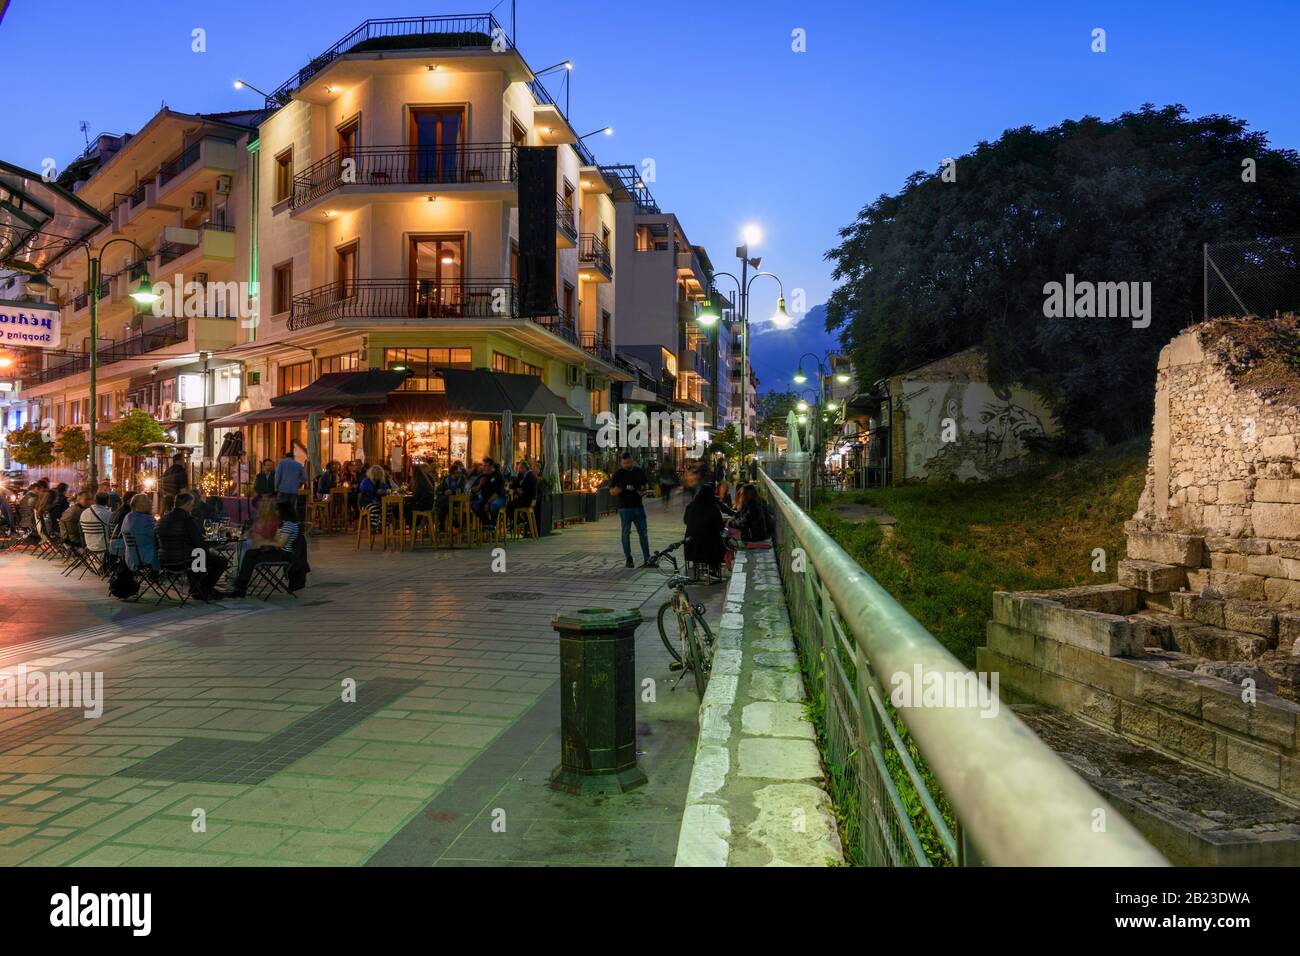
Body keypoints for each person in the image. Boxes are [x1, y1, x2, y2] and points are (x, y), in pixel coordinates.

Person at [156, 492, 230, 599]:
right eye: (191, 504)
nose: (192, 507)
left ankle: (198, 589)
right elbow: (199, 542)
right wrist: (211, 547)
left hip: (164, 560)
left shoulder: (162, 519)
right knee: (220, 561)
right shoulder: (187, 520)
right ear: (186, 504)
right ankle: (204, 589)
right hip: (183, 560)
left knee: (199, 556)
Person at [229, 500, 304, 597]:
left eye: (278, 510)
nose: (276, 512)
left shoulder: (289, 525)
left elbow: (280, 543)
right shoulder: (285, 524)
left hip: (284, 555)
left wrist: (263, 542)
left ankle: (240, 587)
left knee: (251, 558)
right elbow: (276, 540)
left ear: (284, 511)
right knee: (250, 553)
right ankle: (240, 586)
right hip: (279, 552)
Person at [609, 451, 650, 568]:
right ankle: (628, 558)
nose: (627, 465)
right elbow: (612, 492)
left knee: (643, 533)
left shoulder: (639, 471)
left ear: (632, 460)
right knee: (625, 533)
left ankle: (647, 558)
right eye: (625, 463)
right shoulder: (618, 474)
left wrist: (641, 491)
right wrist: (619, 489)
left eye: (629, 462)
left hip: (638, 507)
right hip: (624, 508)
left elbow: (645, 488)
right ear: (621, 463)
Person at [683, 483, 726, 578]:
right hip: (708, 548)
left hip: (691, 546)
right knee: (720, 542)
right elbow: (720, 526)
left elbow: (685, 521)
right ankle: (712, 569)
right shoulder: (713, 508)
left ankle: (699, 566)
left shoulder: (690, 506)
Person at [120, 494, 159, 571]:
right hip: (148, 557)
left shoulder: (127, 517)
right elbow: (157, 536)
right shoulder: (148, 520)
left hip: (131, 558)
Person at [274, 448, 306, 521]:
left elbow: (277, 476)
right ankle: (290, 524)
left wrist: (276, 487)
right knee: (291, 508)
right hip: (294, 490)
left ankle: (282, 524)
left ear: (285, 456)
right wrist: (299, 483)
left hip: (283, 490)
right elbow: (305, 478)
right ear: (293, 457)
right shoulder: (298, 465)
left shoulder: (281, 463)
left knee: (281, 508)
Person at [80, 491, 114, 556]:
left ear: (94, 500)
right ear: (107, 502)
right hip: (103, 545)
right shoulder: (108, 514)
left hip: (89, 544)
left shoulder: (84, 512)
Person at [436, 460, 467, 529]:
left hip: (457, 500)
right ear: (452, 473)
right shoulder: (446, 479)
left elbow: (463, 489)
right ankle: (453, 519)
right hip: (446, 500)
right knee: (446, 501)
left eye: (460, 472)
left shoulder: (462, 479)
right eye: (457, 472)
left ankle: (442, 522)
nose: (459, 474)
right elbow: (438, 490)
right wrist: (444, 492)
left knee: (446, 501)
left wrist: (452, 492)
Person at [507, 459, 537, 524]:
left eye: (520, 468)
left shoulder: (527, 477)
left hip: (527, 501)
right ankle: (519, 520)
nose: (519, 470)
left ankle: (517, 521)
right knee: (513, 503)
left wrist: (517, 490)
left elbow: (523, 492)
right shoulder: (531, 475)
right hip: (532, 500)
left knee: (509, 505)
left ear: (524, 468)